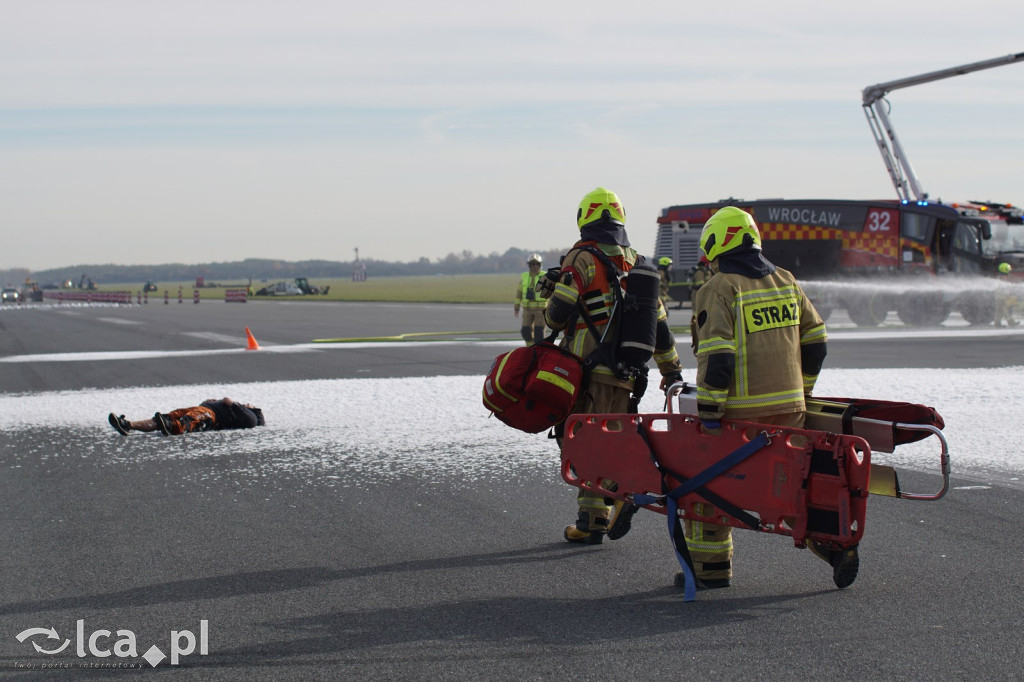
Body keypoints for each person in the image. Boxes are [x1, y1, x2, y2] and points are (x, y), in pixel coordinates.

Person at [685, 206, 851, 590]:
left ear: (716, 242)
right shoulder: (786, 281)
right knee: (792, 485)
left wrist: (709, 410)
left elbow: (718, 356)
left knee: (702, 481)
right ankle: (832, 543)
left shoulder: (720, 288)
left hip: (741, 419)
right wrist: (803, 391)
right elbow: (817, 342)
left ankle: (711, 568)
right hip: (791, 415)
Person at [539, 187, 683, 545]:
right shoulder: (639, 263)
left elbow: (557, 317)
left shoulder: (582, 257)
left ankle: (609, 508)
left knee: (581, 444)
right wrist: (672, 371)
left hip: (587, 371)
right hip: (626, 377)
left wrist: (552, 291)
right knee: (610, 443)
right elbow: (659, 328)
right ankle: (601, 513)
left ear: (584, 219)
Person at [108, 397, 265, 436]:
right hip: (203, 409)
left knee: (190, 420)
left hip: (211, 415)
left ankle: (172, 427)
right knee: (171, 415)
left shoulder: (251, 414)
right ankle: (129, 424)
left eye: (250, 405)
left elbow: (250, 422)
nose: (248, 403)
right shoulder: (240, 410)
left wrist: (233, 404)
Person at [513, 253, 547, 345]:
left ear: (540, 265)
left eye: (537, 264)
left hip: (541, 309)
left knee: (539, 332)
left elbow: (552, 293)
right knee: (525, 331)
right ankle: (530, 349)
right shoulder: (524, 276)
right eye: (532, 264)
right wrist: (516, 307)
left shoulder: (545, 276)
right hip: (527, 309)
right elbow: (519, 293)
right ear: (529, 265)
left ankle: (538, 351)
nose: (535, 266)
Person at [993, 262, 1019, 327]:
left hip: (999, 297)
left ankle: (997, 323)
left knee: (999, 311)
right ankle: (1011, 323)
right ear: (1004, 269)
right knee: (1005, 310)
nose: (1009, 271)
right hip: (1001, 297)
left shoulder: (1000, 277)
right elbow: (1003, 288)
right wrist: (1008, 294)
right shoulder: (1002, 277)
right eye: (1008, 269)